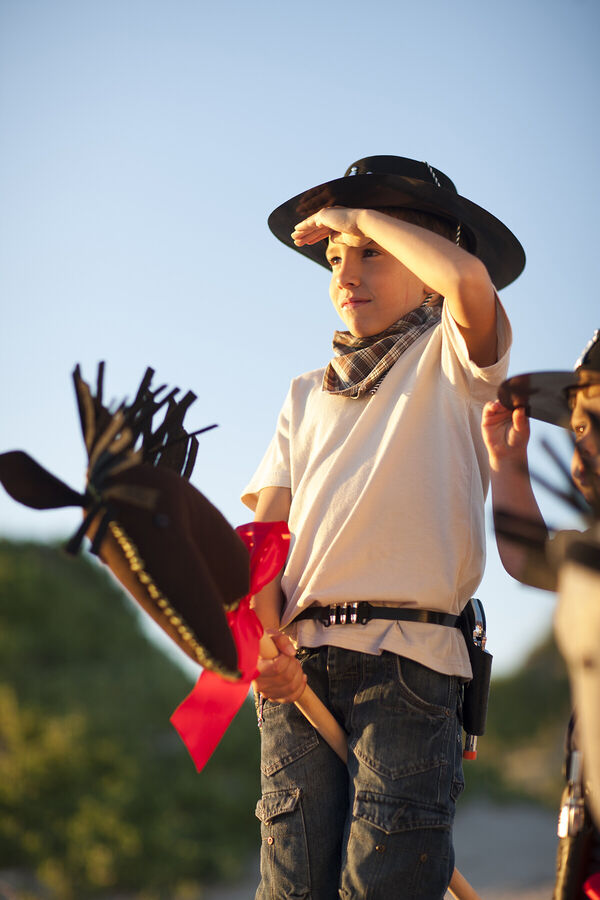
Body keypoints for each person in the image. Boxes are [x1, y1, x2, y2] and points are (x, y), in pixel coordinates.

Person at [241, 155, 525, 899]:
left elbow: (470, 285)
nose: (346, 270)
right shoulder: (303, 395)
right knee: (292, 887)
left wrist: (361, 215)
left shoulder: (456, 362)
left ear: (427, 268)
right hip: (298, 664)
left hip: (411, 665)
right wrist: (264, 644)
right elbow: (265, 540)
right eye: (335, 258)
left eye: (373, 252)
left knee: (385, 882)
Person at [481, 330, 600, 899]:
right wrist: (508, 464)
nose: (584, 451)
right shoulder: (591, 550)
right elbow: (529, 557)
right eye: (578, 427)